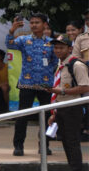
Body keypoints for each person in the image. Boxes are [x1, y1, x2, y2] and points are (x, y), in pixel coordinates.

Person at [6, 13, 58, 156]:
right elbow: (9, 44)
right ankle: (18, 146)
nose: (34, 25)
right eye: (32, 22)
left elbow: (54, 62)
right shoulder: (23, 40)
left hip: (46, 85)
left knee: (47, 116)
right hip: (27, 84)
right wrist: (12, 30)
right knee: (23, 116)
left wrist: (46, 73)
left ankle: (44, 145)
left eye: (37, 22)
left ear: (45, 25)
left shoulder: (52, 43)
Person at [48, 35, 89, 171]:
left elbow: (85, 87)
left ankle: (77, 170)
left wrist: (64, 91)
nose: (58, 50)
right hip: (60, 107)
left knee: (72, 140)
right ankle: (72, 168)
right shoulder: (59, 65)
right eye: (56, 47)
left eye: (61, 47)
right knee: (64, 139)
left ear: (70, 48)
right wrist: (53, 112)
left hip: (73, 108)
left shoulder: (76, 65)